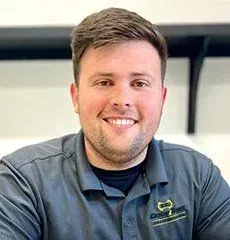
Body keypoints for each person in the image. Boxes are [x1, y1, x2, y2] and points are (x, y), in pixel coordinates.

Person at [0, 7, 230, 240]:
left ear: (161, 99)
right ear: (76, 97)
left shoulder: (198, 177)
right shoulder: (22, 182)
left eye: (140, 83)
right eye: (104, 82)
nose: (122, 100)